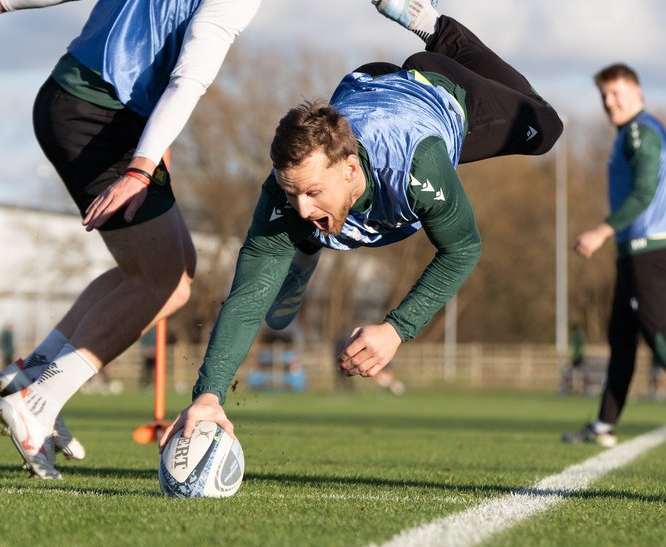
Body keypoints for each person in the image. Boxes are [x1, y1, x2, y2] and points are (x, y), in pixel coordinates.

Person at [164, 1, 563, 447]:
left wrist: (396, 329)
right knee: (293, 232)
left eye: (312, 191)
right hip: (365, 83)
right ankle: (306, 248)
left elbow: (463, 248)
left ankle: (429, 24)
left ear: (351, 169)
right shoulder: (287, 188)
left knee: (545, 126)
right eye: (293, 192)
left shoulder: (418, 167)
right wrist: (207, 395)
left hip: (442, 89)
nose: (299, 204)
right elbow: (247, 296)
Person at [0, 0, 260, 478]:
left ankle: (34, 371)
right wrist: (141, 167)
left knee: (170, 268)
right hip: (99, 118)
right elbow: (189, 77)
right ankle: (37, 400)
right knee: (166, 281)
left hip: (80, 103)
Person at [562, 63, 666, 449]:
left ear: (638, 93)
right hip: (645, 249)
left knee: (660, 333)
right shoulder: (636, 132)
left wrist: (602, 231)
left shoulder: (639, 131)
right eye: (604, 95)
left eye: (616, 93)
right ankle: (604, 425)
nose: (609, 102)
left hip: (644, 249)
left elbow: (645, 191)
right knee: (621, 338)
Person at [560, 325, 592, 396]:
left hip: (578, 359)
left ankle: (586, 390)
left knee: (581, 373)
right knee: (568, 372)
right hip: (577, 358)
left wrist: (576, 357)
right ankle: (567, 388)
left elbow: (578, 350)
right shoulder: (578, 338)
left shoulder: (577, 338)